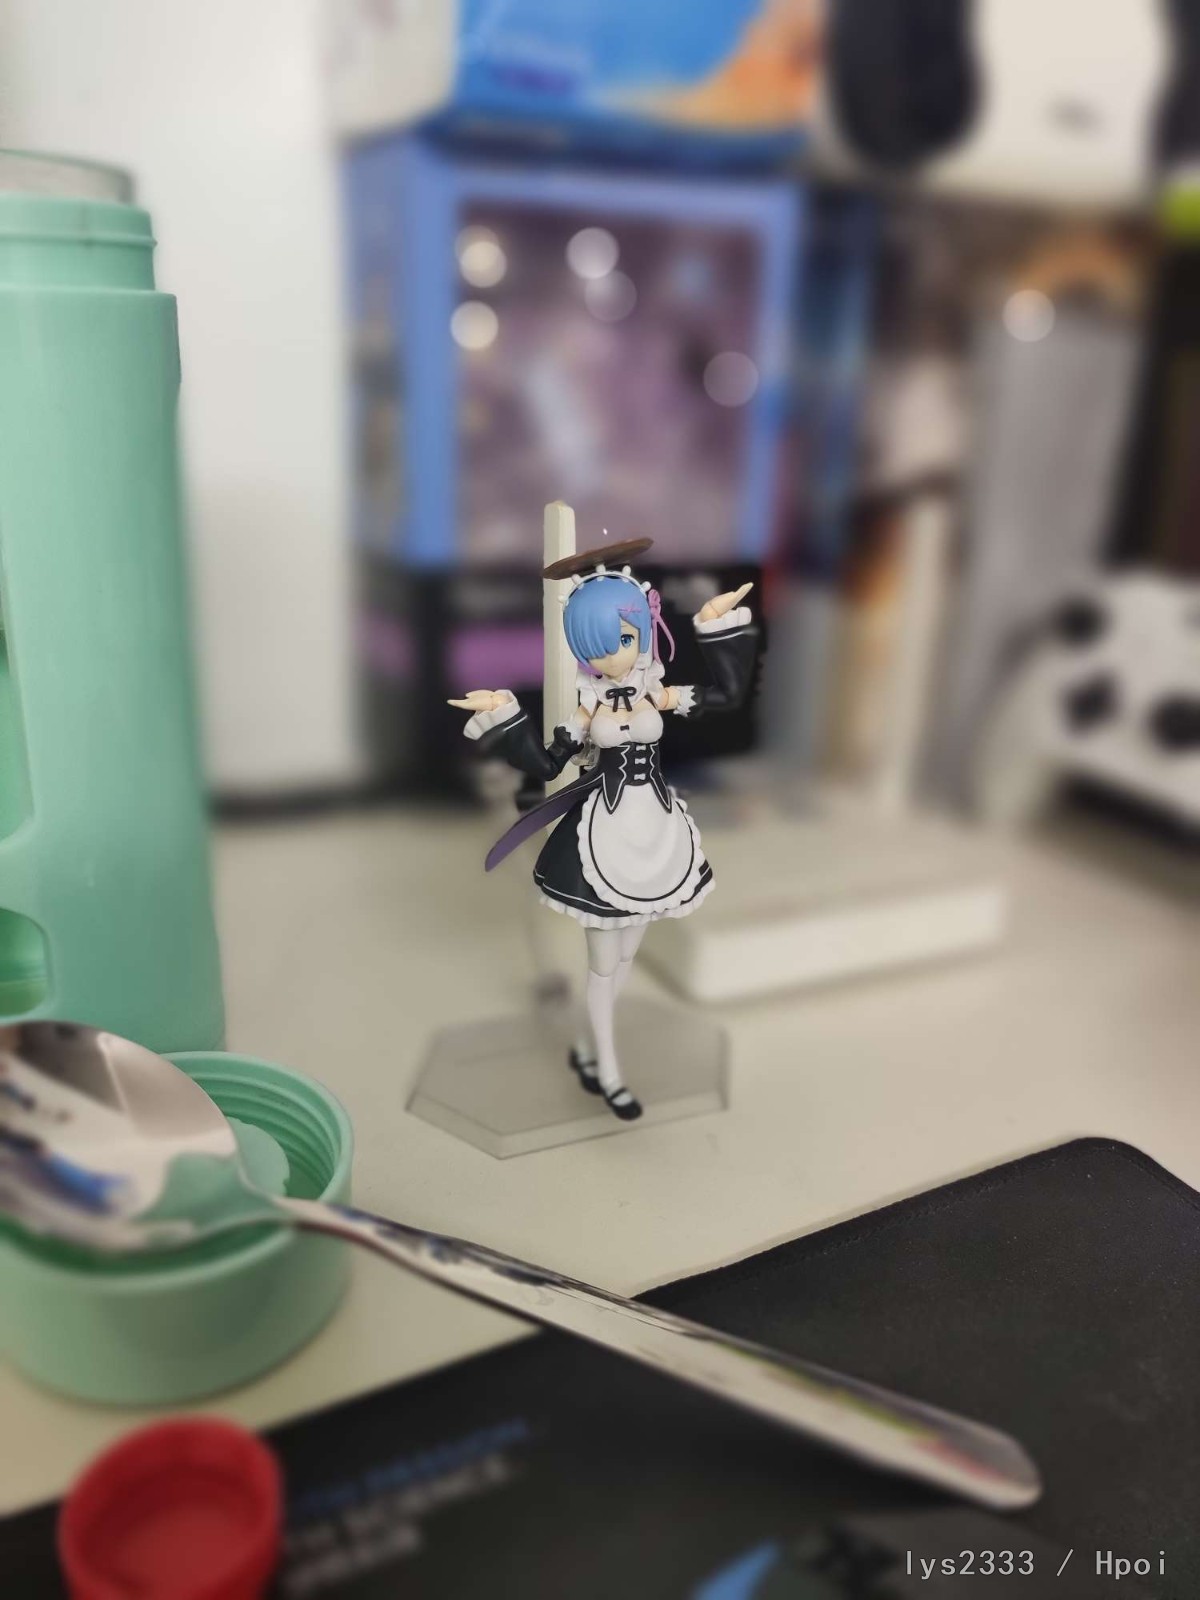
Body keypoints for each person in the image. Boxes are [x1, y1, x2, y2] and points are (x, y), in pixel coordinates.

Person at [450, 538, 757, 1121]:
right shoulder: (587, 709)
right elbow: (546, 765)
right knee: (602, 963)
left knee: (624, 959)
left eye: (626, 637)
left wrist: (715, 626)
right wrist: (503, 715)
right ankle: (609, 1071)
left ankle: (589, 1049)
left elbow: (725, 694)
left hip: (656, 834)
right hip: (604, 840)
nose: (616, 654)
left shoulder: (654, 690)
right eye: (599, 644)